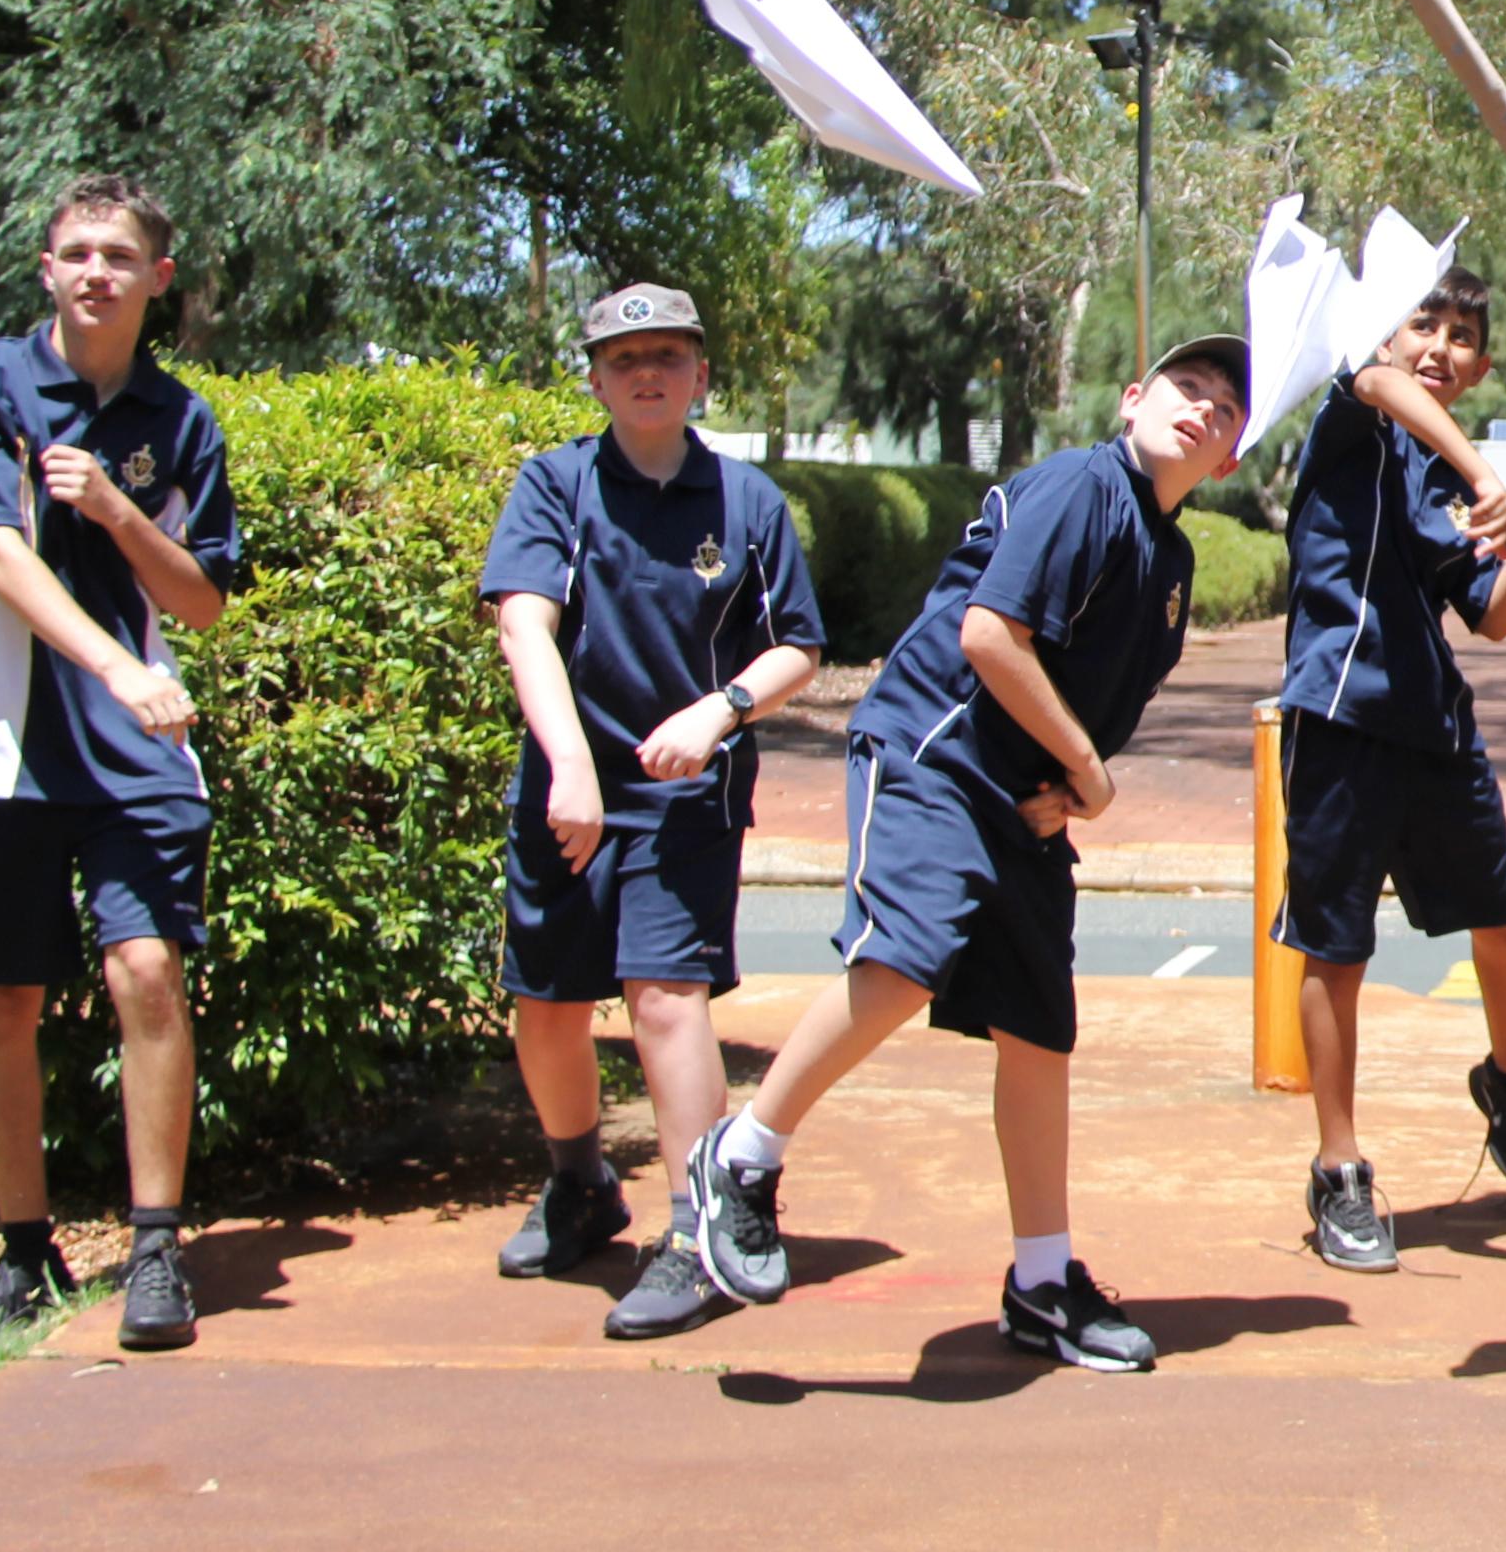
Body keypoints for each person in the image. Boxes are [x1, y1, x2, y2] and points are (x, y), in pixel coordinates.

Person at [676, 336, 1248, 1373]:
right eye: (1187, 386)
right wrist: (1091, 771)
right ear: (1132, 400)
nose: (1202, 408)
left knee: (1037, 1029)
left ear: (1231, 459)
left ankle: (1041, 1282)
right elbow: (990, 634)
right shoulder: (1082, 486)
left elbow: (1099, 694)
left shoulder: (1171, 559)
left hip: (1021, 800)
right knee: (910, 951)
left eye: (1225, 409)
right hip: (935, 752)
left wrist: (1070, 782)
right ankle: (742, 1155)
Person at [0, 175, 244, 1350]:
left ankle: (156, 1248)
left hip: (136, 754)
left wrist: (115, 508)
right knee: (2, 999)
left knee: (147, 972)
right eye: (77, 251)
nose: (97, 270)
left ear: (160, 277)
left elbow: (200, 601)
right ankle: (24, 1250)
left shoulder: (182, 420)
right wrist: (115, 666)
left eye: (119, 253)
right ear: (47, 268)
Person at [474, 284, 826, 1337]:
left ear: (700, 374)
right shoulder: (555, 484)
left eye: (667, 354)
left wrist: (721, 712)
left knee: (668, 997)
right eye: (623, 357)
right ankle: (580, 1183)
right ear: (594, 378)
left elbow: (798, 646)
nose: (646, 372)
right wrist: (570, 765)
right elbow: (524, 625)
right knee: (546, 1003)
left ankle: (697, 1233)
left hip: (687, 798)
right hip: (568, 791)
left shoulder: (746, 500)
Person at [1273, 269, 1506, 1272]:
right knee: (1336, 948)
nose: (1441, 346)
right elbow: (1379, 383)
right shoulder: (1355, 410)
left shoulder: (1449, 483)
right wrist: (1487, 471)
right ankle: (1340, 1170)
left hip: (1434, 725)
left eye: (1462, 336)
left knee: (1503, 917)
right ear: (1387, 335)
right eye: (1425, 324)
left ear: (1482, 367)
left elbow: (1492, 617)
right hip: (1338, 715)